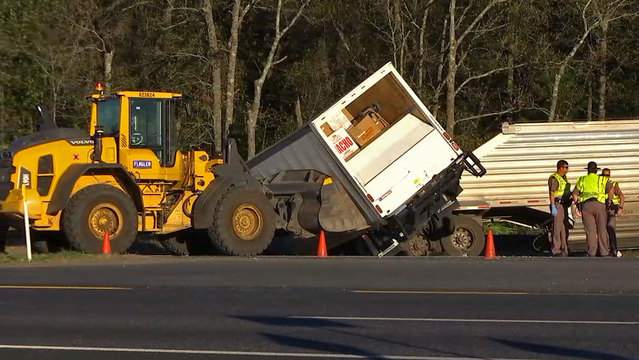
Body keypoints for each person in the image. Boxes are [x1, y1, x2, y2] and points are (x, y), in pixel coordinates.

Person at [572, 161, 613, 257]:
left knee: (590, 231)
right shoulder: (602, 179)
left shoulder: (582, 179)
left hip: (586, 206)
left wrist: (578, 204)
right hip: (600, 205)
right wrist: (609, 201)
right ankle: (604, 252)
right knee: (602, 229)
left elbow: (574, 194)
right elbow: (611, 189)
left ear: (588, 171)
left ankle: (591, 252)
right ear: (596, 170)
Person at [548, 160, 571, 256]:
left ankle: (564, 248)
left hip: (564, 204)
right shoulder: (554, 178)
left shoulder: (564, 178)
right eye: (565, 167)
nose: (567, 169)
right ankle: (556, 249)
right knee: (557, 228)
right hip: (557, 204)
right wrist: (553, 206)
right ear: (560, 167)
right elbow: (552, 193)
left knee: (564, 228)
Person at [601, 168, 624, 257]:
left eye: (607, 175)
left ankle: (614, 249)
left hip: (611, 209)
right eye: (604, 175)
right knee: (602, 230)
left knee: (611, 229)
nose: (605, 177)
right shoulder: (599, 183)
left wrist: (620, 208)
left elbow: (621, 196)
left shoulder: (613, 184)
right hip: (602, 208)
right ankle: (605, 249)